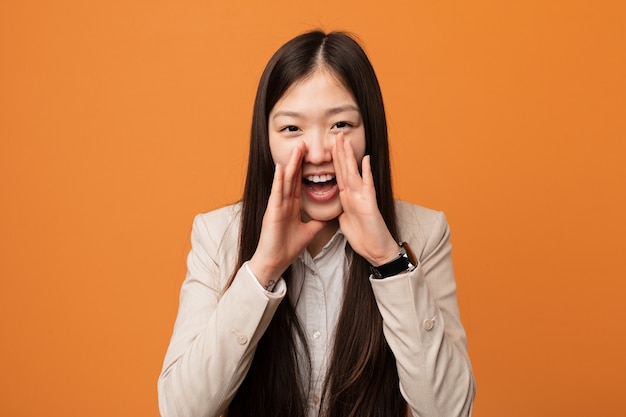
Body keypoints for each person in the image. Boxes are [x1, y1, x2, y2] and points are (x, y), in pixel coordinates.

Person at [158, 30, 475, 417]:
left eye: (341, 125)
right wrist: (263, 269)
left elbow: (450, 410)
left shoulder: (423, 233)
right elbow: (181, 410)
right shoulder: (216, 235)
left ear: (369, 130)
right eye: (292, 128)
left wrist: (387, 260)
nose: (320, 152)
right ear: (266, 139)